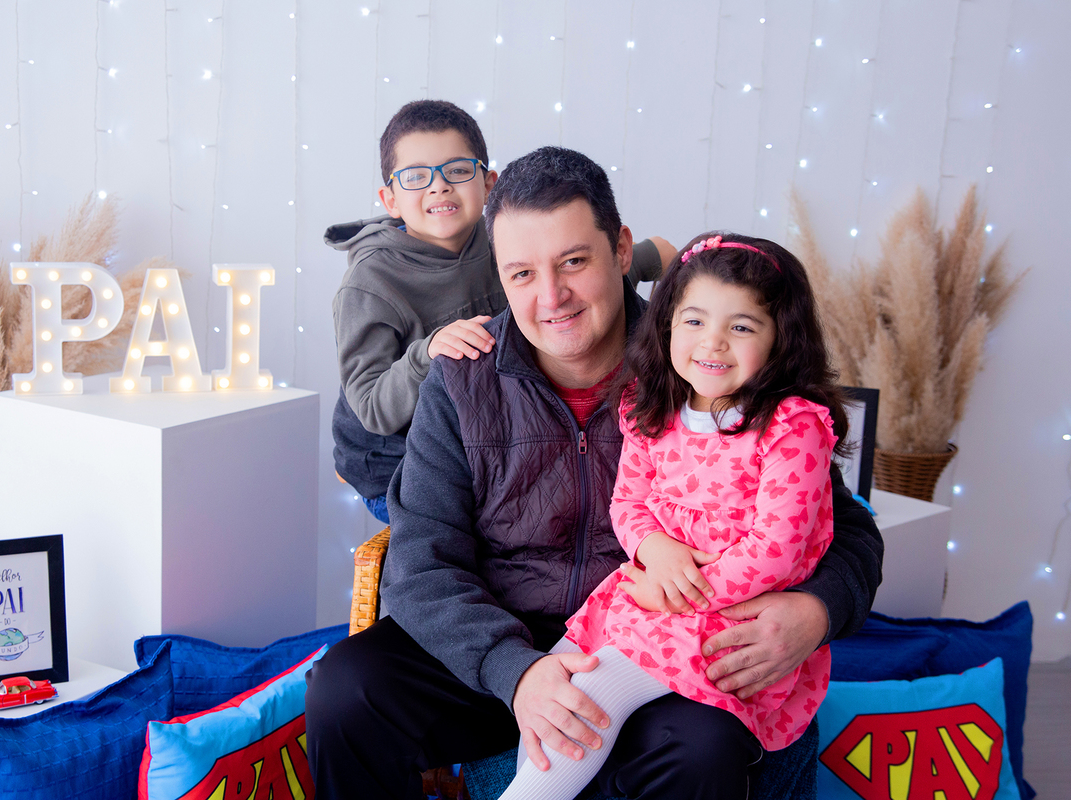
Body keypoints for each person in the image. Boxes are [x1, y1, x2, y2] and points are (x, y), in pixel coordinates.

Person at [306, 146, 883, 800]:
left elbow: (847, 529)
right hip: (506, 650)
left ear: (621, 249)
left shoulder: (702, 368)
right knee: (346, 691)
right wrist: (516, 673)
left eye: (573, 262)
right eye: (521, 273)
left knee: (705, 750)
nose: (550, 298)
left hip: (654, 653)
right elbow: (423, 561)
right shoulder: (464, 380)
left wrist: (817, 610)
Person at [498, 231, 851, 800]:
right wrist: (652, 550)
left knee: (590, 696)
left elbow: (778, 549)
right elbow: (628, 503)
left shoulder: (792, 427)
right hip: (645, 593)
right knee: (558, 676)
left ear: (780, 337)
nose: (713, 344)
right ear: (666, 326)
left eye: (741, 326)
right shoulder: (651, 407)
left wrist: (687, 591)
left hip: (725, 616)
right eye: (694, 322)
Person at [327, 101, 671, 523]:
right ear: (390, 198)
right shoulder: (371, 283)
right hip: (392, 461)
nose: (438, 187)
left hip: (486, 439)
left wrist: (651, 264)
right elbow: (372, 409)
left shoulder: (502, 241)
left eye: (456, 170)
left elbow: (583, 264)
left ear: (488, 184)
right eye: (416, 177)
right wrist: (427, 352)